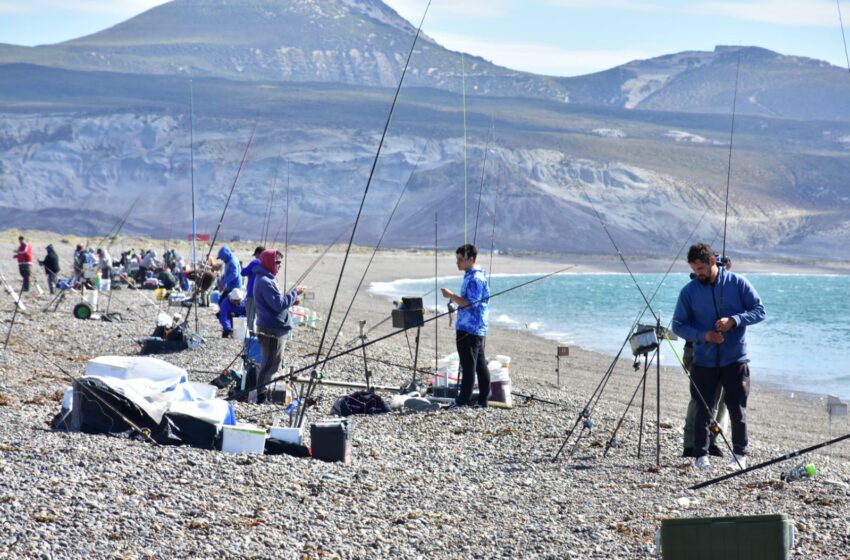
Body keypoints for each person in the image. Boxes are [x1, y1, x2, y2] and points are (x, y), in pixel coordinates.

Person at [672, 243, 765, 470]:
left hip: (735, 360)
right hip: (703, 360)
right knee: (703, 409)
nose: (698, 273)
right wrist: (704, 336)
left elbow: (759, 310)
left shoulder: (738, 283)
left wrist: (734, 320)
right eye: (694, 269)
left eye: (701, 268)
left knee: (736, 408)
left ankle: (740, 455)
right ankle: (700, 456)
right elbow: (678, 325)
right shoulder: (689, 291)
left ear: (713, 261)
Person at [682, 256, 733, 458]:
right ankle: (690, 443)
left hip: (725, 354)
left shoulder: (727, 292)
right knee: (699, 398)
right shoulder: (693, 292)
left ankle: (712, 441)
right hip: (697, 352)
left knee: (722, 400)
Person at [440, 243, 491, 408]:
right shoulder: (473, 275)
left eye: (460, 259)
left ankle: (463, 400)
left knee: (469, 365)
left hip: (470, 328)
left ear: (471, 259)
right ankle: (482, 400)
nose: (457, 263)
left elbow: (471, 304)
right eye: (457, 259)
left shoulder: (475, 278)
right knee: (479, 363)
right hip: (474, 327)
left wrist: (451, 296)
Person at [253, 249, 303, 404]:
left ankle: (264, 392)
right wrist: (295, 293)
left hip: (273, 328)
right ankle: (261, 396)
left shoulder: (266, 279)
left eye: (281, 262)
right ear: (269, 262)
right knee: (270, 363)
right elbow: (278, 304)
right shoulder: (265, 281)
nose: (280, 265)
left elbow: (276, 303)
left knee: (273, 362)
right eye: (277, 262)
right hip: (272, 330)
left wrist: (291, 300)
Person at [241, 246, 265, 333]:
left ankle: (251, 334)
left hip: (252, 293)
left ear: (259, 254)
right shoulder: (267, 264)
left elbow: (243, 273)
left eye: (256, 255)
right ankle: (260, 333)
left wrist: (241, 267)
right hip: (263, 295)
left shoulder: (255, 262)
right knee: (260, 316)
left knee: (250, 316)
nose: (255, 257)